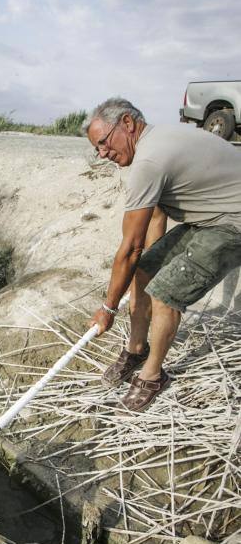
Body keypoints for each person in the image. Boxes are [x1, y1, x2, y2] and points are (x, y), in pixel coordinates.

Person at [84, 97, 241, 412]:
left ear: (127, 123)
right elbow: (153, 224)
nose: (102, 153)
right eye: (96, 148)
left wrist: (108, 308)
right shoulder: (153, 146)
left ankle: (153, 375)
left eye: (103, 142)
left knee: (165, 293)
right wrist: (148, 265)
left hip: (233, 223)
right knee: (144, 271)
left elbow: (129, 247)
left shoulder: (149, 161)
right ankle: (137, 349)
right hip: (210, 217)